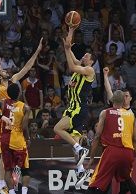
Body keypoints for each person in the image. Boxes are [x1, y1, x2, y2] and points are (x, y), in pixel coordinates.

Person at [0, 38, 43, 191]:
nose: (7, 71)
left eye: (6, 70)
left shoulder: (13, 81)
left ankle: (7, 186)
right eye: (4, 71)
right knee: (3, 157)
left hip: (13, 121)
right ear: (0, 75)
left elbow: (26, 68)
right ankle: (2, 186)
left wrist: (37, 52)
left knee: (11, 159)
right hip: (1, 121)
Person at [53, 27, 96, 184]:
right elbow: (70, 54)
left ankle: (81, 149)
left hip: (77, 108)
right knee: (74, 145)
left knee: (57, 128)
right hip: (76, 109)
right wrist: (69, 39)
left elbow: (71, 66)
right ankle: (81, 171)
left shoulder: (89, 70)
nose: (83, 55)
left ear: (91, 61)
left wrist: (67, 50)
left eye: (87, 55)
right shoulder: (81, 66)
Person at [86, 90, 136, 194]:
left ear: (112, 100)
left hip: (112, 151)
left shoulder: (105, 112)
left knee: (96, 182)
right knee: (127, 179)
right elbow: (135, 140)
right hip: (128, 153)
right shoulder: (131, 115)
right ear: (124, 101)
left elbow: (97, 136)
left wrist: (91, 157)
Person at [0, 83, 31, 194]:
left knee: (8, 169)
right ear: (19, 93)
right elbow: (24, 127)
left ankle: (11, 192)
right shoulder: (25, 107)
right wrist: (28, 138)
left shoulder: (3, 103)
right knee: (25, 169)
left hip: (5, 139)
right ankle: (24, 192)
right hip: (18, 140)